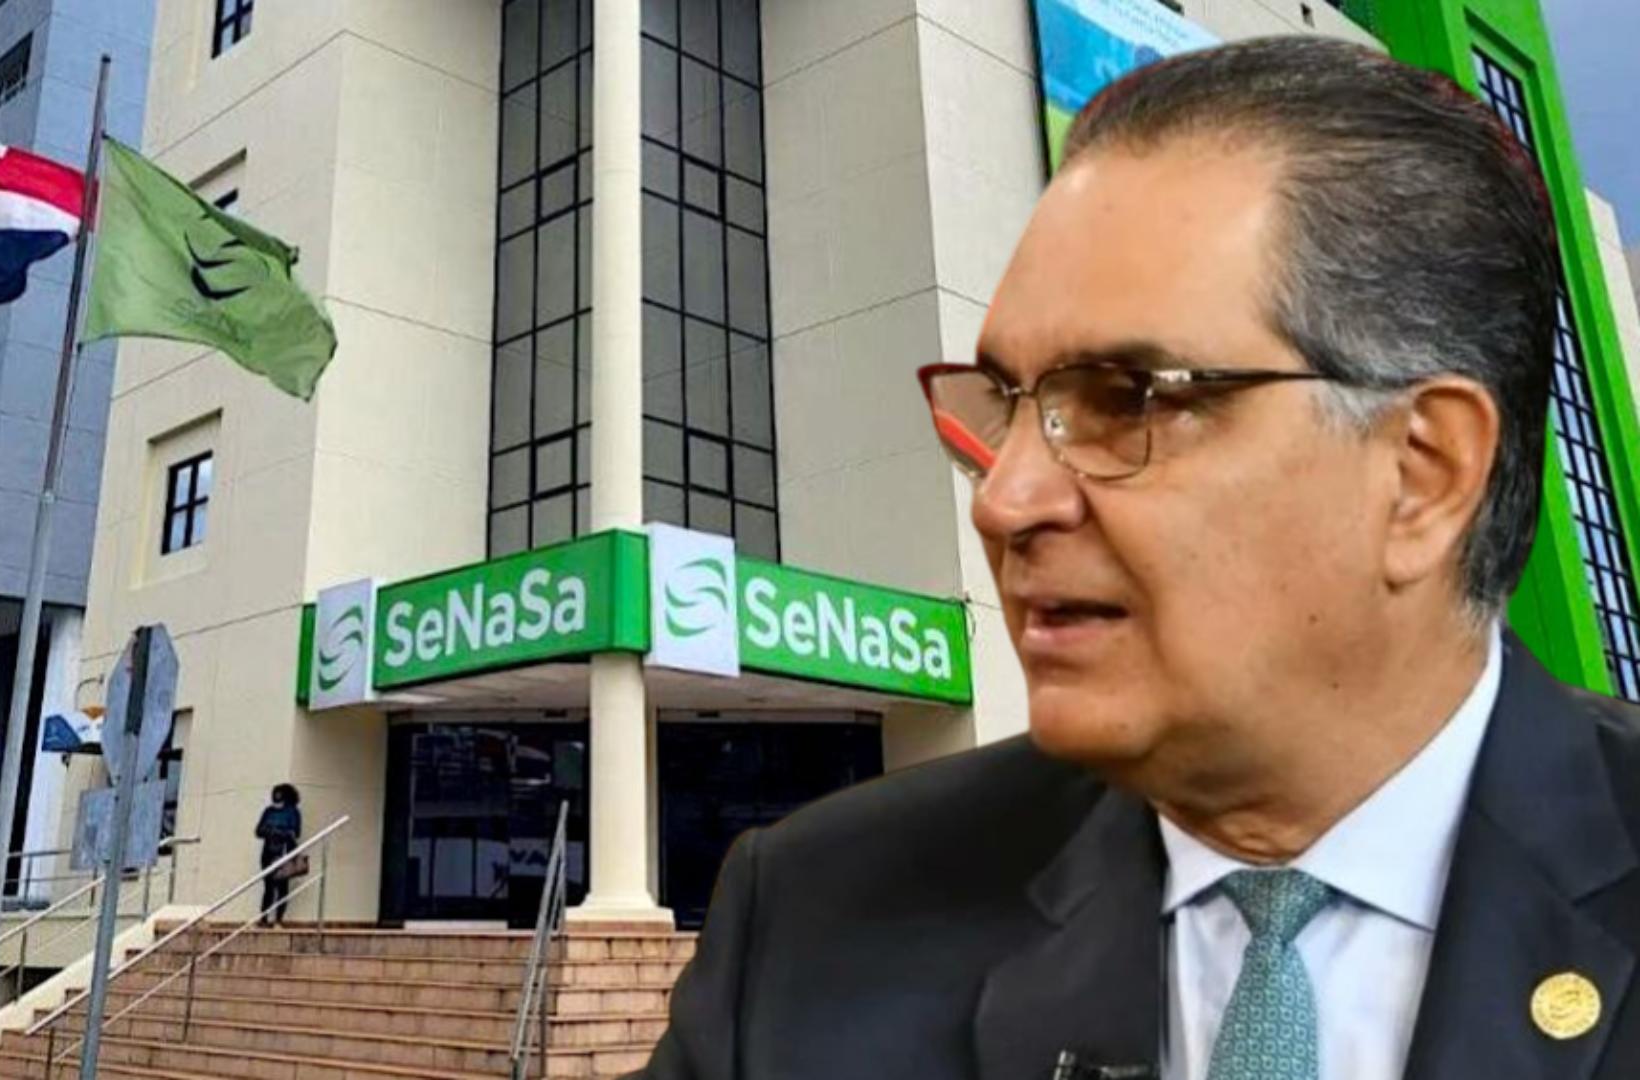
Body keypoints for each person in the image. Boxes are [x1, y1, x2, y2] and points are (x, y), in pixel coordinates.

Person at [632, 37, 1640, 1080]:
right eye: (1005, 405)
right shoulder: (815, 919)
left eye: (1125, 402)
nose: (1004, 500)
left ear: (1422, 473)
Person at [254, 783, 302, 927]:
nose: (276, 796)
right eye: (275, 793)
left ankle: (278, 919)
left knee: (282, 887)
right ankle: (263, 919)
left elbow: (295, 832)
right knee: (268, 886)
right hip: (268, 852)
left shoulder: (293, 811)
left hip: (284, 852)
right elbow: (259, 831)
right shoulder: (268, 811)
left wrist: (276, 831)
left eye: (279, 794)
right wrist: (272, 831)